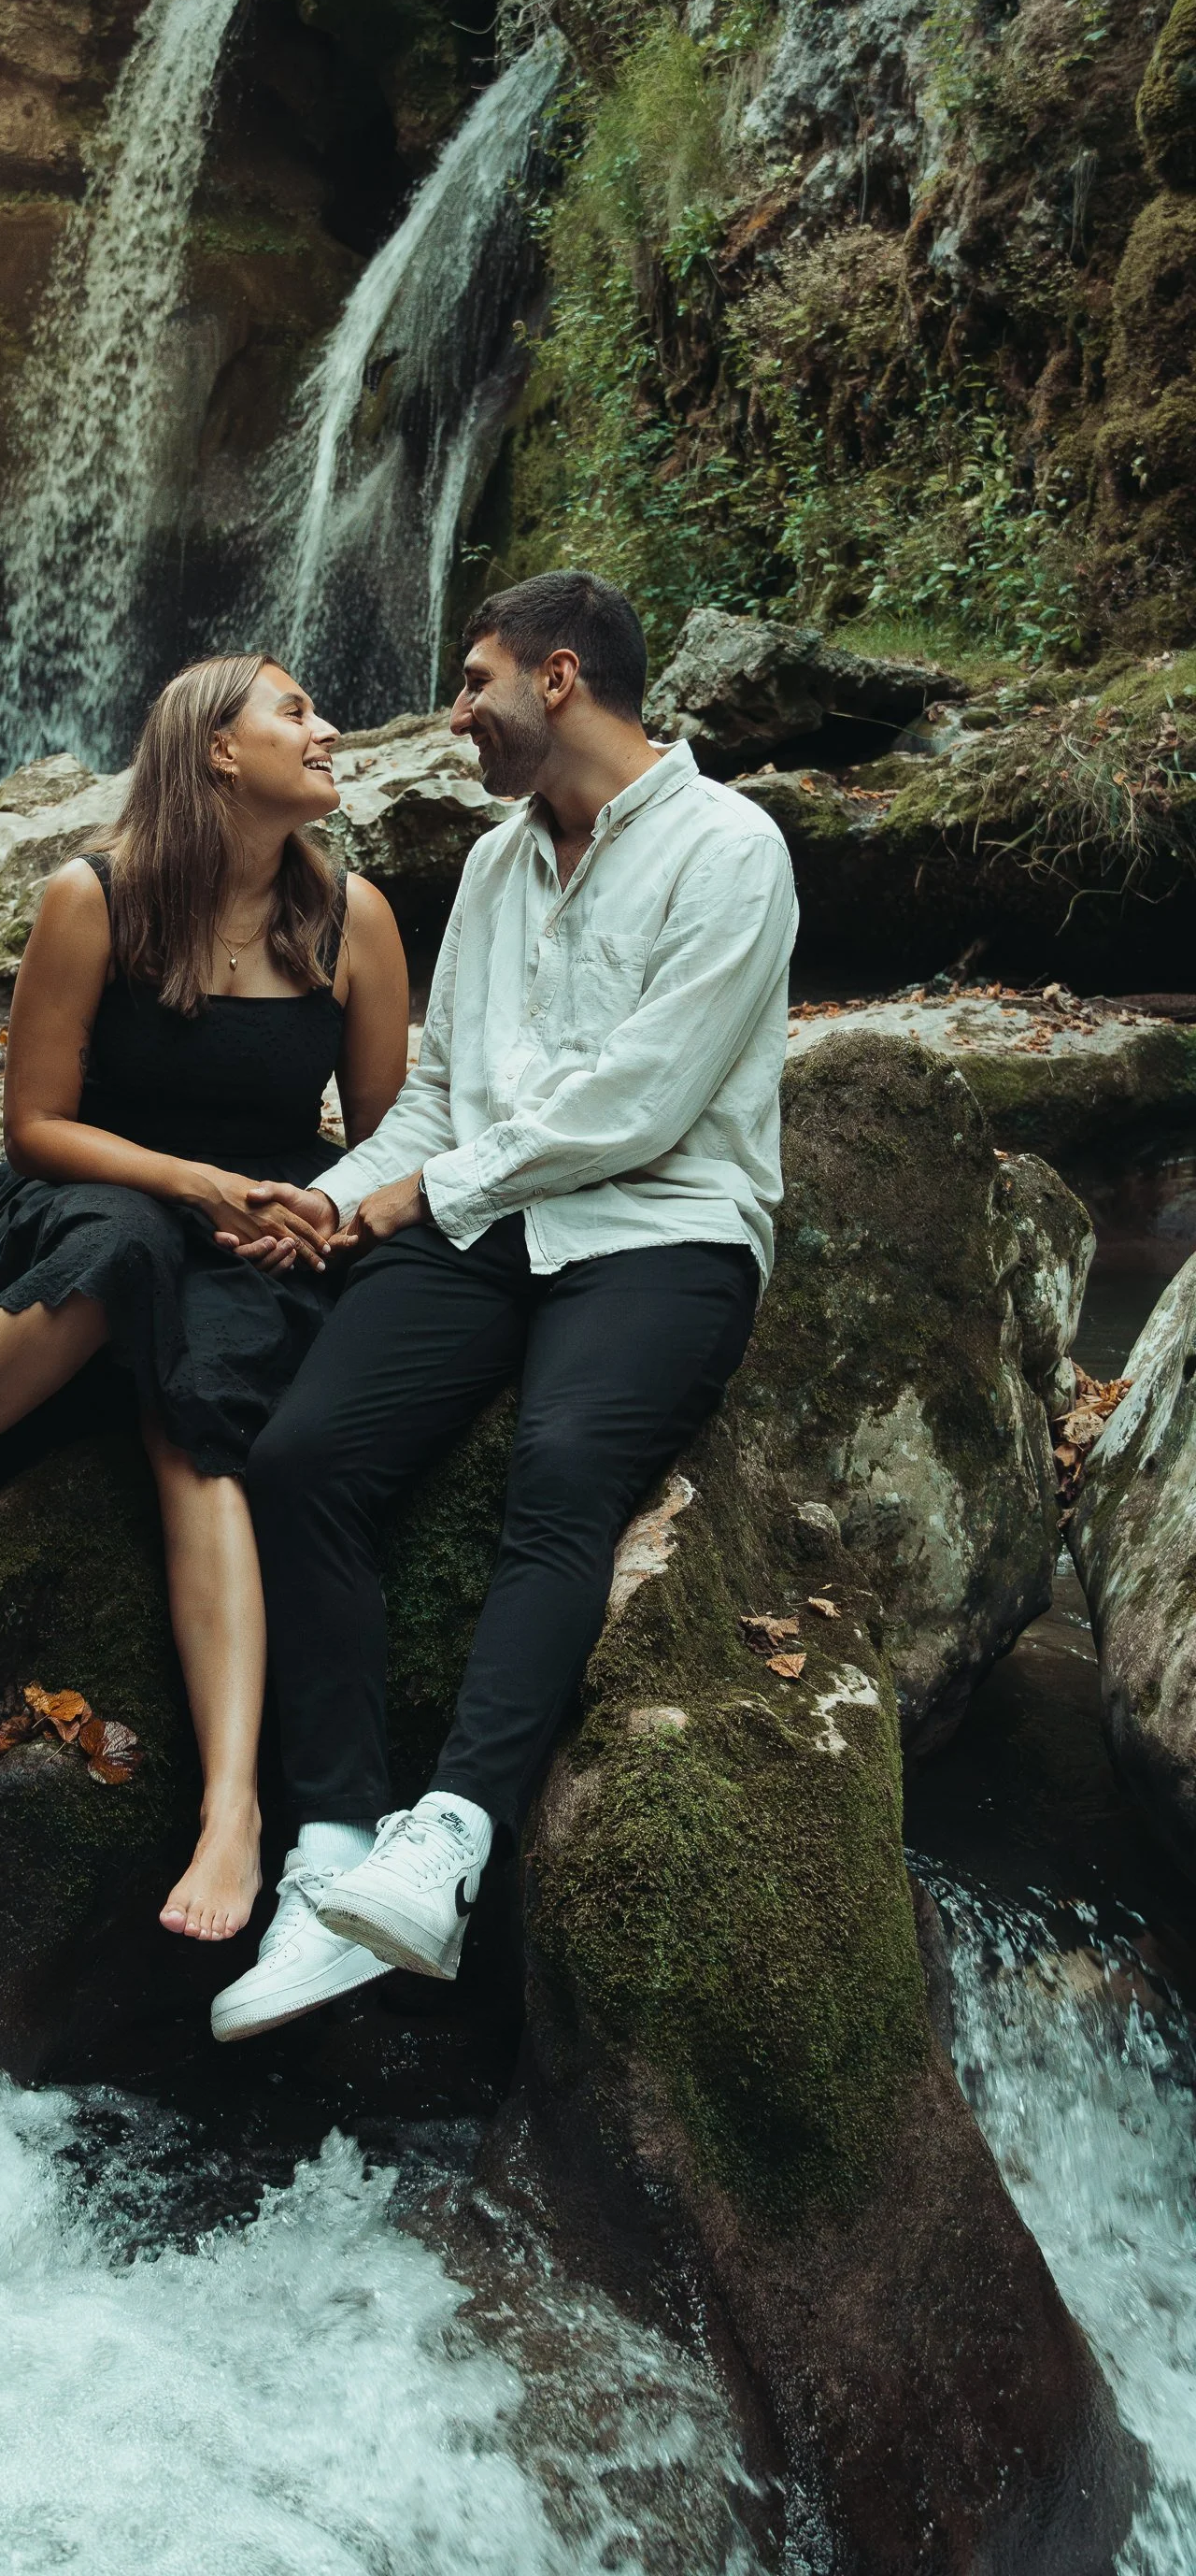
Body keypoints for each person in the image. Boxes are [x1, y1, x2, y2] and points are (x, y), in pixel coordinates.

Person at [207, 569, 797, 2042]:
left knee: (561, 1473)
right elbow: (441, 1105)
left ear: (559, 679)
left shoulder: (734, 850)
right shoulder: (488, 868)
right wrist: (339, 1204)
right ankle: (335, 1849)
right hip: (488, 1215)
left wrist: (423, 1195)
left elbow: (644, 1103)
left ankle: (452, 1838)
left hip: (665, 1226)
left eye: (471, 683)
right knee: (303, 1457)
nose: (450, 714)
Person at [0, 653, 409, 1946]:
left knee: (203, 1407)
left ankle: (234, 1809)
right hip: (103, 1181)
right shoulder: (93, 895)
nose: (326, 728)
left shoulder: (358, 918)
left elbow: (391, 1142)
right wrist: (189, 1182)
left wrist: (326, 1215)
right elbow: (37, 1125)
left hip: (261, 1223)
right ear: (216, 751)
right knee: (122, 1263)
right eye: (294, 710)